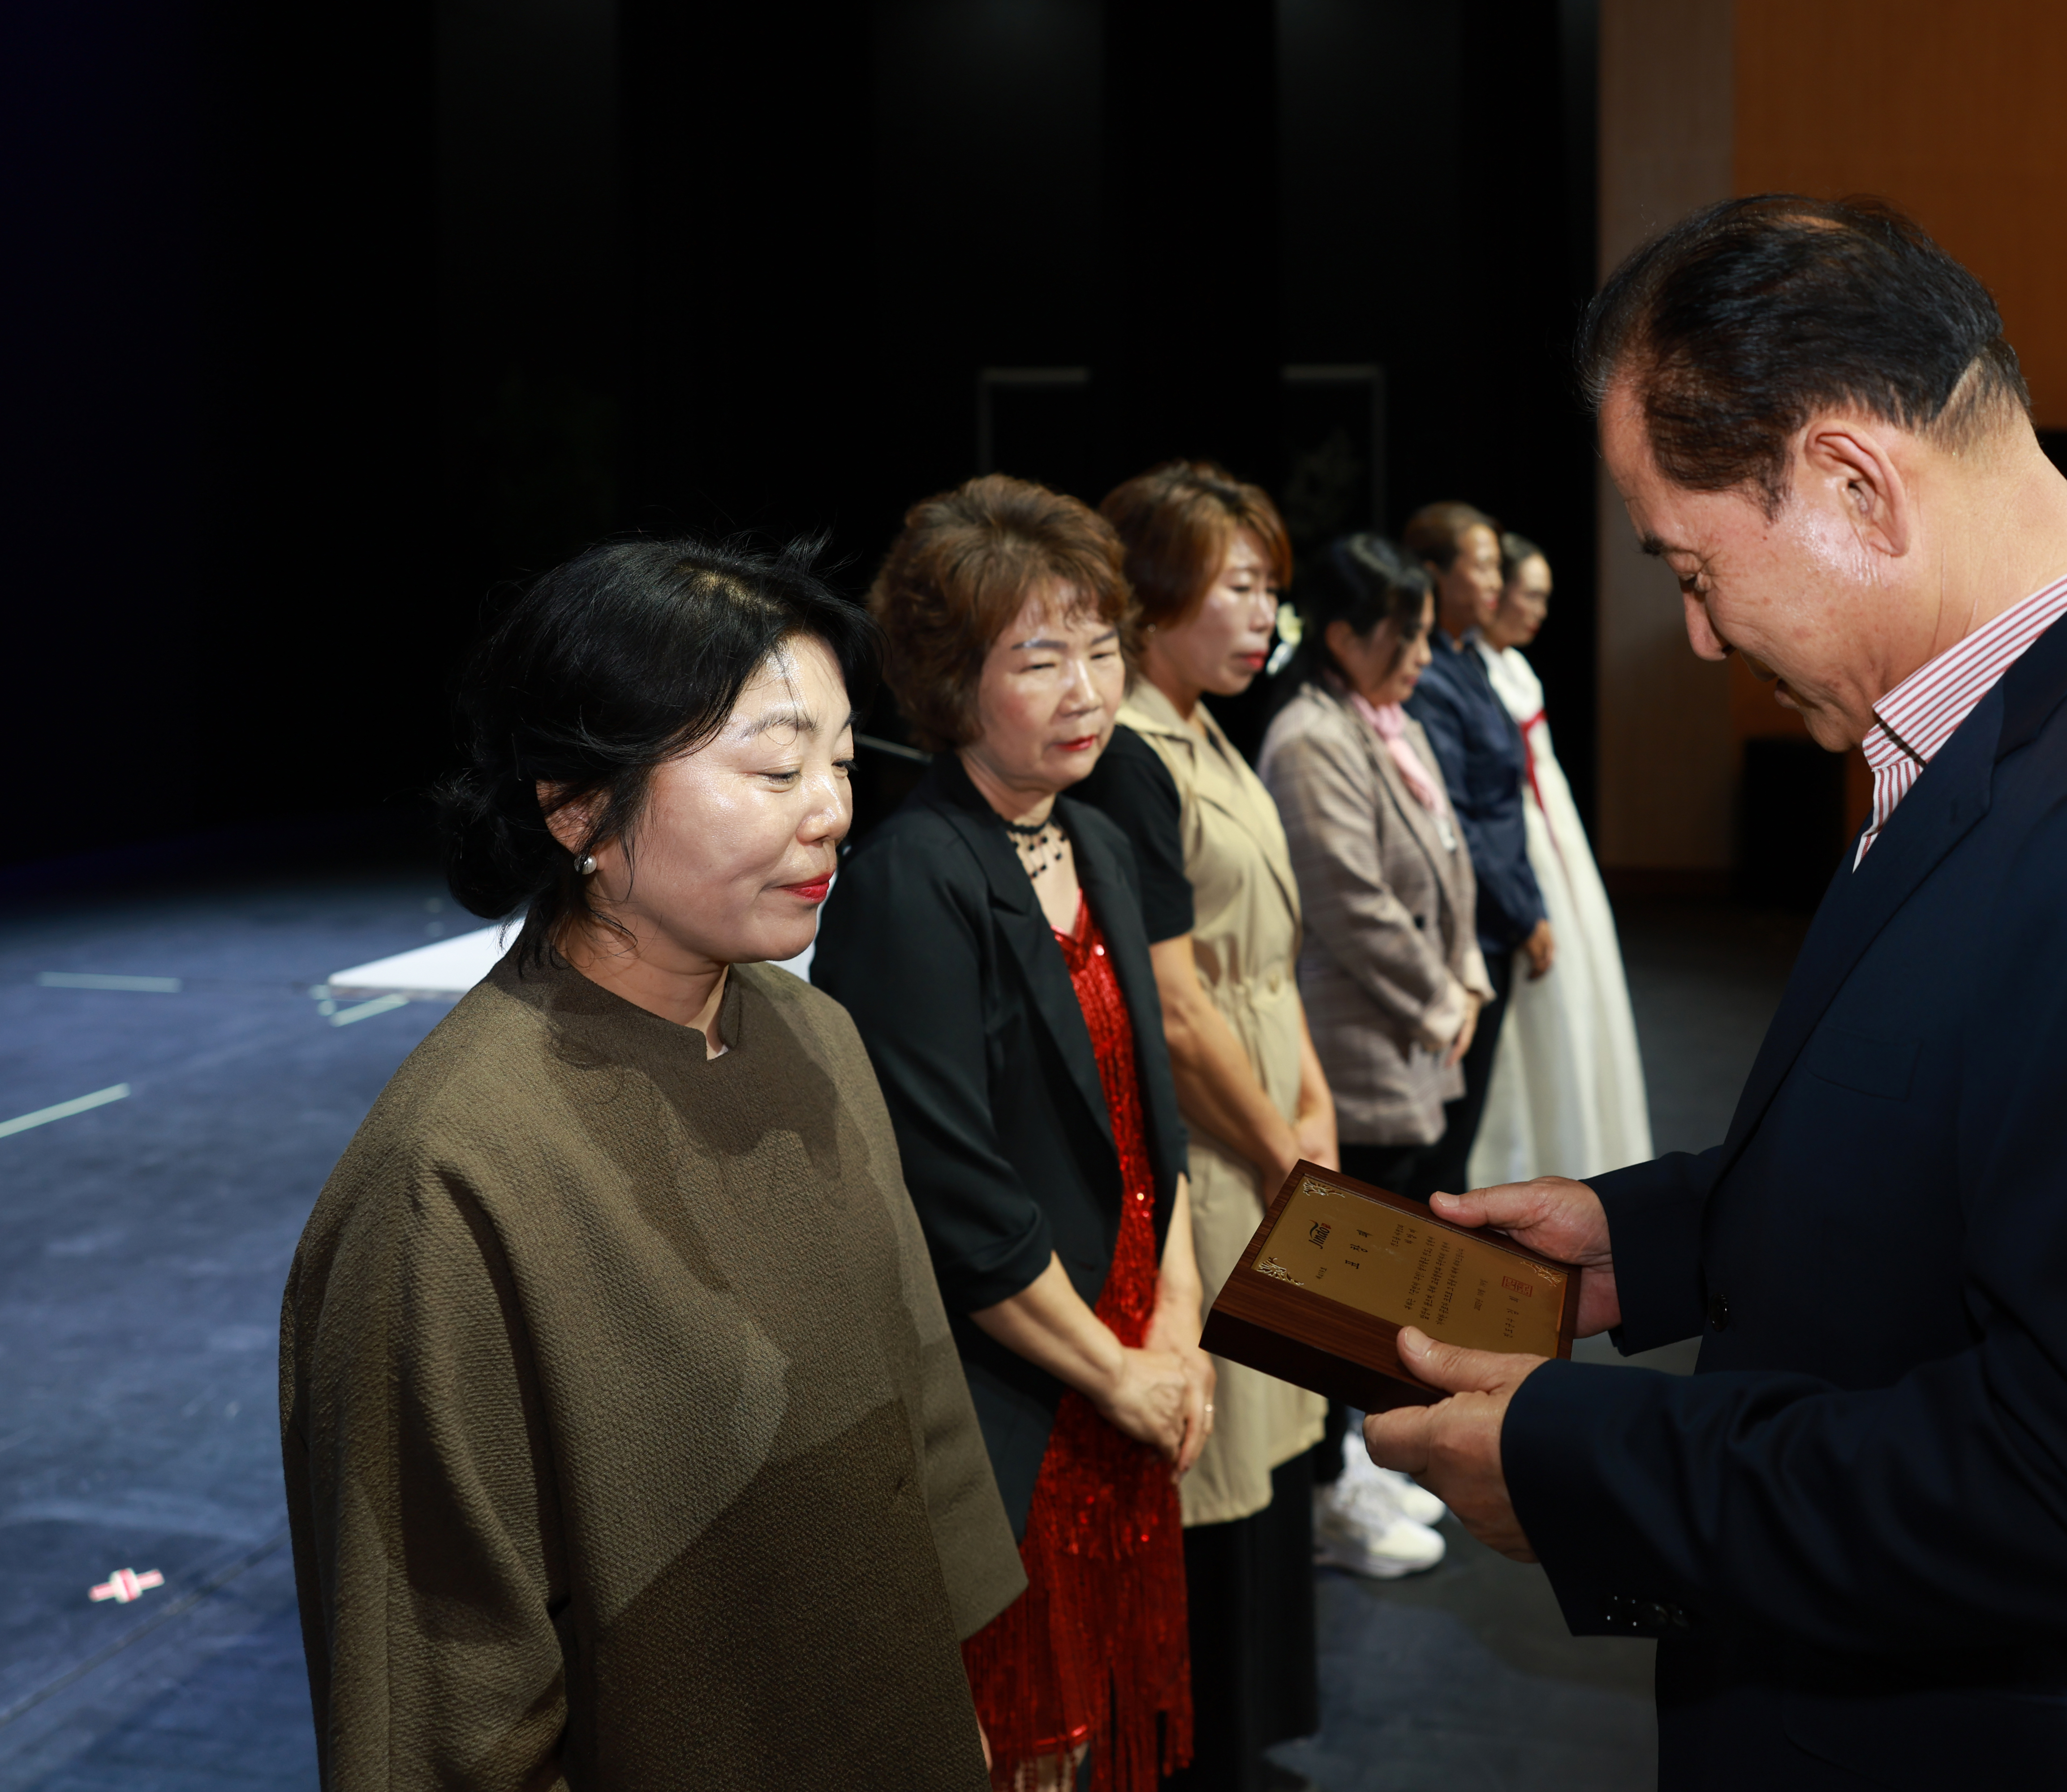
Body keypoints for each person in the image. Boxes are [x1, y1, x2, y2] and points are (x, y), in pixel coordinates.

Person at [1366, 194, 2067, 1789]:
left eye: (1692, 566)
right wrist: (1653, 1244)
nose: (1699, 633)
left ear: (1854, 485)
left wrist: (1583, 1458)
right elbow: (2002, 1152)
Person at [282, 537, 1024, 1791]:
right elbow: (439, 1693)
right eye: (777, 768)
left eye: (843, 762)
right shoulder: (448, 1179)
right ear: (578, 804)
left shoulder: (818, 1034)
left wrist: (954, 1708)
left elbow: (917, 1410)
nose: (832, 810)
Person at [812, 477, 1211, 1792]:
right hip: (1019, 1407)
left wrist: (1181, 1332)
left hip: (1130, 1370)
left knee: (1108, 1729)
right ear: (951, 680)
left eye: (1101, 649)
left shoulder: (1096, 838)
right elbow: (956, 1197)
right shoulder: (910, 879)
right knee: (1028, 1748)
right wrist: (1119, 1373)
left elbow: (1157, 1129)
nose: (1087, 690)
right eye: (1040, 659)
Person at [1064, 461, 1331, 1791]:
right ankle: (1192, 1754)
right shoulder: (1127, 753)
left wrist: (1316, 1102)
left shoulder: (1209, 729)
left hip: (1268, 1116)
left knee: (1266, 1456)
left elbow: (1269, 960)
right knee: (1212, 1470)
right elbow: (1173, 1006)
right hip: (1214, 1149)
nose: (1264, 615)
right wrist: (1287, 1151)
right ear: (1155, 595)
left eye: (1273, 588)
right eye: (1239, 586)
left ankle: (1240, 1742)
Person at [1257, 533, 1494, 1579]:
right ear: (1345, 636)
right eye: (1409, 637)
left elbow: (1449, 860)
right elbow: (1352, 903)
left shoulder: (1384, 720)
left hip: (1409, 1034)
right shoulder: (1311, 737)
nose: (1425, 659)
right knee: (1344, 1281)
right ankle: (1329, 1488)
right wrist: (1442, 996)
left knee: (1387, 1263)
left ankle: (1354, 1453)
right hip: (1357, 1043)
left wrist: (1468, 976)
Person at [1465, 532, 1654, 1187]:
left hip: (1555, 830)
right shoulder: (1473, 672)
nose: (1539, 610)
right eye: (1529, 594)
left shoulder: (1517, 668)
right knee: (1541, 1014)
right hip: (1522, 837)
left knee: (1582, 988)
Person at [1399, 501, 1552, 1204]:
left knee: (1463, 1128)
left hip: (1497, 913)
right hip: (1472, 926)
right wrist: (1522, 913)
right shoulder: (1430, 674)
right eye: (1483, 566)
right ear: (1434, 573)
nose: (1496, 581)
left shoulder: (1465, 657)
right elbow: (1460, 820)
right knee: (1443, 1137)